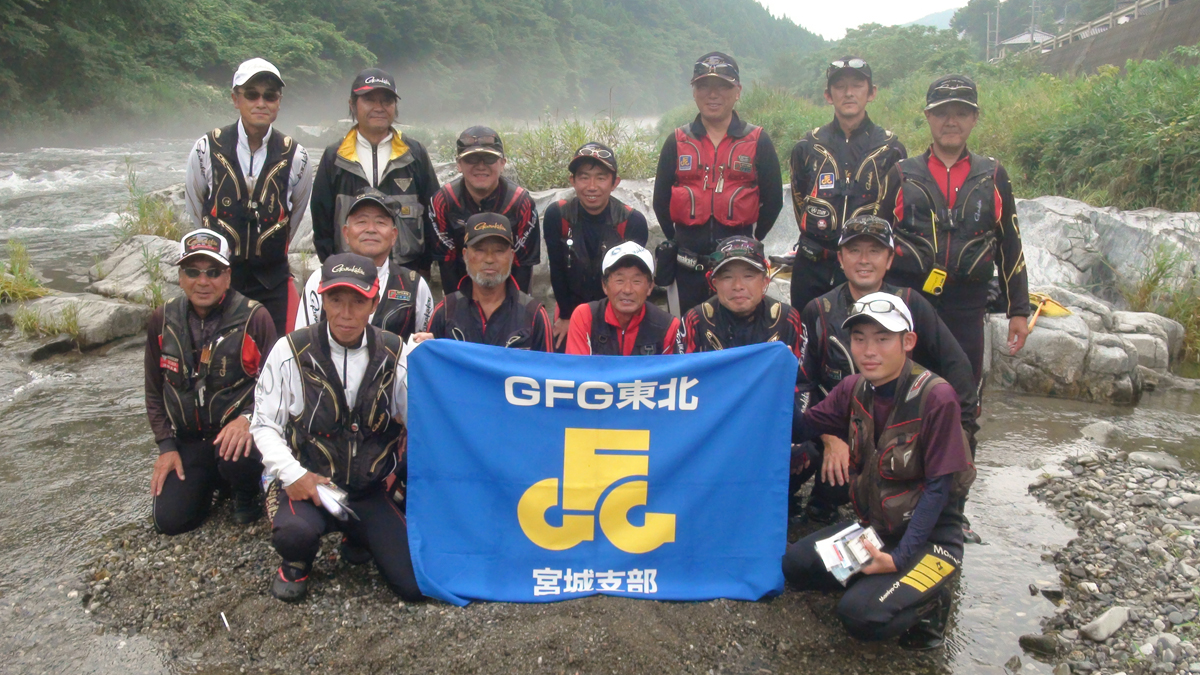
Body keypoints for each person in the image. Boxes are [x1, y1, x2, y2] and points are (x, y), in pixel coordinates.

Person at [783, 295, 976, 650]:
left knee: (860, 616)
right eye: (859, 339)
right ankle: (877, 584)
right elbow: (801, 428)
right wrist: (774, 379)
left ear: (908, 341)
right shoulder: (853, 388)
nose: (869, 350)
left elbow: (938, 490)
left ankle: (932, 604)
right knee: (794, 566)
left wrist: (897, 559)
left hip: (931, 538)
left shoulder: (938, 397)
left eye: (883, 339)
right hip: (877, 529)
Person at [251, 253, 421, 602]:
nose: (346, 313)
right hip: (310, 484)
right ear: (322, 300)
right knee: (293, 534)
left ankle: (356, 536)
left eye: (357, 301)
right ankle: (296, 562)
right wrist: (294, 475)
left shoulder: (396, 352)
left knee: (414, 586)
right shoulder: (289, 351)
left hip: (369, 489)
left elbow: (421, 420)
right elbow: (264, 425)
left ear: (373, 303)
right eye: (336, 300)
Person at [792, 215, 978, 533]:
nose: (864, 260)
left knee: (948, 455)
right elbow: (803, 384)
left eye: (875, 251)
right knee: (804, 460)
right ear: (840, 258)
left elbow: (956, 365)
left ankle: (950, 513)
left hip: (904, 432)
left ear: (890, 259)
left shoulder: (911, 304)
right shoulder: (819, 310)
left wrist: (962, 429)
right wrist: (829, 438)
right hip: (842, 426)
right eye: (854, 251)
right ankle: (819, 504)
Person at [879, 74, 1030, 390]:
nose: (951, 121)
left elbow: (1010, 245)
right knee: (902, 393)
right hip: (908, 304)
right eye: (942, 113)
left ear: (975, 118)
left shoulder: (993, 176)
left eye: (961, 113)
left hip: (968, 308)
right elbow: (877, 242)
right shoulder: (901, 174)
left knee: (963, 394)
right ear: (928, 116)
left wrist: (1018, 310)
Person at [145, 229, 276, 534]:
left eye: (213, 272)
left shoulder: (255, 318)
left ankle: (245, 491)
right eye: (193, 272)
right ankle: (211, 485)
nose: (203, 281)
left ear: (227, 277)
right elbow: (153, 391)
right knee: (170, 522)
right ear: (180, 277)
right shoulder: (162, 320)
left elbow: (278, 390)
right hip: (191, 440)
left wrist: (248, 418)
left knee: (236, 458)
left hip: (242, 438)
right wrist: (166, 446)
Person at [184, 58, 313, 337]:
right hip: (220, 280)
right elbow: (196, 209)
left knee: (277, 355)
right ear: (235, 99)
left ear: (279, 102)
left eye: (270, 96)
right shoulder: (206, 149)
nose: (261, 103)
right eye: (252, 94)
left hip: (273, 282)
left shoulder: (297, 156)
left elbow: (296, 215)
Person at [653, 52, 783, 316]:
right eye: (704, 86)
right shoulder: (676, 141)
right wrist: (678, 241)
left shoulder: (758, 140)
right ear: (694, 92)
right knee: (687, 335)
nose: (713, 94)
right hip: (686, 269)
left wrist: (753, 239)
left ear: (737, 91)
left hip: (738, 271)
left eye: (722, 86)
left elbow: (773, 201)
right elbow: (660, 202)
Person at [788, 57, 906, 313]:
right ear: (828, 95)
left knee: (865, 334)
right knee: (807, 332)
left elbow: (897, 215)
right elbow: (799, 202)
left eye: (857, 85)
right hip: (812, 266)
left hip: (865, 268)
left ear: (872, 93)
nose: (848, 93)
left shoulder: (891, 149)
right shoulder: (807, 146)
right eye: (840, 86)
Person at [310, 68, 440, 270]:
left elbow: (434, 213)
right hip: (349, 271)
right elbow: (321, 220)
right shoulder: (335, 156)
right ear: (352, 104)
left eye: (386, 101)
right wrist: (333, 266)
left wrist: (423, 268)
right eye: (370, 100)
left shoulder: (414, 154)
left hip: (407, 269)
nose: (379, 108)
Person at [544, 142, 650, 351]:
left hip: (618, 310)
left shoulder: (631, 221)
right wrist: (565, 316)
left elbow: (634, 278)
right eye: (584, 177)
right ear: (572, 181)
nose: (592, 186)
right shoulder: (557, 215)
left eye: (601, 178)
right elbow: (557, 269)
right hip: (570, 307)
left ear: (614, 182)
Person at [296, 188, 434, 340]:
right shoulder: (322, 278)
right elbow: (302, 340)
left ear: (394, 235)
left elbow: (425, 343)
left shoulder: (413, 284)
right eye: (361, 222)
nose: (371, 229)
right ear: (346, 233)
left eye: (380, 222)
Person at [419, 213, 553, 350]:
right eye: (480, 250)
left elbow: (547, 363)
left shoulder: (534, 315)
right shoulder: (446, 312)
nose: (489, 259)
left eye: (499, 251)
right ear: (465, 255)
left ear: (512, 256)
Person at [430, 127, 540, 293]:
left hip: (509, 283)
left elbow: (523, 265)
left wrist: (518, 307)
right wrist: (455, 305)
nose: (480, 166)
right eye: (471, 159)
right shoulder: (442, 201)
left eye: (489, 158)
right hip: (461, 281)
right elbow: (447, 263)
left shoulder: (521, 203)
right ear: (459, 164)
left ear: (502, 163)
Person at [682, 236, 804, 359]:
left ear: (765, 282)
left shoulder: (786, 319)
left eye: (748, 276)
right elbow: (681, 369)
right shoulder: (696, 321)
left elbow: (801, 370)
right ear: (714, 283)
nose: (738, 286)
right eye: (727, 277)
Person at [565, 241, 682, 356]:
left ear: (650, 287)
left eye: (636, 281)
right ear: (604, 285)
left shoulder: (668, 327)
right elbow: (578, 367)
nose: (627, 290)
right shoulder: (585, 317)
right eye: (619, 280)